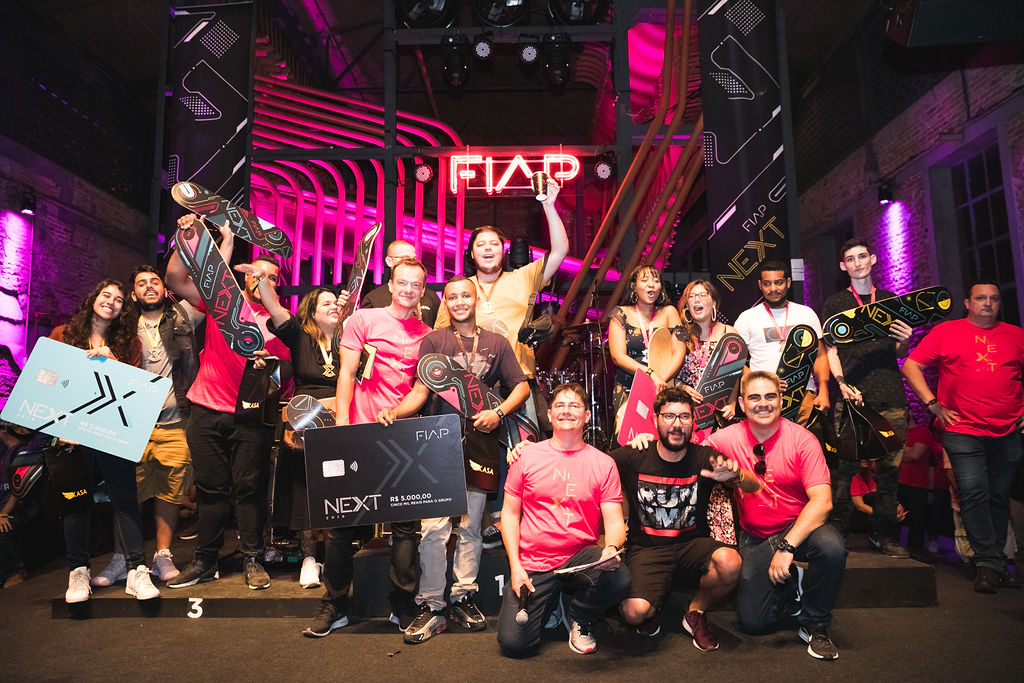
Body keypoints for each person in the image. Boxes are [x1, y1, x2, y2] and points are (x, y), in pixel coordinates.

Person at [376, 277, 530, 644]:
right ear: (446, 302)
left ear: (476, 300)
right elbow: (420, 390)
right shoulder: (434, 341)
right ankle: (431, 603)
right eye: (453, 297)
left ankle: (463, 596)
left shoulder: (496, 342)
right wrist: (396, 412)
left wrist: (499, 412)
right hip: (438, 444)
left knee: (472, 526)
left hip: (481, 443)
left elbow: (522, 386)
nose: (460, 302)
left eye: (466, 296)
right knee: (433, 527)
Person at [435, 180, 569, 545]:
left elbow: (560, 250)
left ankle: (518, 521)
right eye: (481, 244)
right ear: (471, 253)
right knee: (479, 456)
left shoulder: (522, 278)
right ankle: (482, 522)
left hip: (516, 380)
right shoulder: (459, 291)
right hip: (469, 387)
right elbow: (439, 341)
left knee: (522, 452)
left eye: (494, 243)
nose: (488, 248)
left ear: (503, 251)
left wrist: (550, 205)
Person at [303, 257, 431, 637]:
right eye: (402, 282)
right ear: (390, 285)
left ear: (423, 291)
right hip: (357, 431)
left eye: (416, 285)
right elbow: (345, 372)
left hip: (401, 436)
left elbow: (421, 390)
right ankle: (335, 603)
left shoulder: (427, 335)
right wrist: (343, 424)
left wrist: (397, 411)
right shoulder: (363, 319)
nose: (408, 290)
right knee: (341, 524)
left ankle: (402, 602)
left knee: (405, 526)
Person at [165, 214, 291, 591]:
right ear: (243, 276)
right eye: (255, 273)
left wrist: (269, 367)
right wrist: (187, 237)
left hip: (250, 416)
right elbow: (175, 279)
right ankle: (205, 560)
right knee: (210, 489)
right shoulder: (222, 303)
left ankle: (252, 558)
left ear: (277, 285)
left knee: (250, 489)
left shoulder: (281, 323)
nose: (261, 279)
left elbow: (285, 377)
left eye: (270, 276)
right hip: (206, 409)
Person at [704, 371, 846, 660]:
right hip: (756, 535)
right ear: (742, 404)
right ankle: (791, 582)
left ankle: (815, 624)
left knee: (831, 547)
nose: (763, 404)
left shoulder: (803, 440)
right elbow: (682, 450)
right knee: (754, 624)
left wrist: (787, 547)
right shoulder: (724, 438)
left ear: (781, 400)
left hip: (800, 529)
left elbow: (822, 501)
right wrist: (644, 438)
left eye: (770, 396)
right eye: (754, 397)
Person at [901, 280, 1024, 593]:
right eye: (981, 298)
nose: (988, 303)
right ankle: (987, 563)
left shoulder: (1016, 335)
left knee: (998, 496)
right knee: (973, 494)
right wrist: (932, 404)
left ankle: (996, 561)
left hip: (1008, 430)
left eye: (994, 298)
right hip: (962, 430)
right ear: (968, 303)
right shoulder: (947, 332)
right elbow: (912, 365)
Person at [496, 382, 629, 658]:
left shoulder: (603, 463)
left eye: (574, 405)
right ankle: (551, 602)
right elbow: (509, 513)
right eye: (560, 405)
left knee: (618, 577)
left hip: (579, 559)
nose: (566, 411)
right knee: (515, 644)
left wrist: (611, 548)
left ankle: (579, 616)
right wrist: (515, 567)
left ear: (587, 415)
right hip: (533, 563)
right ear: (549, 415)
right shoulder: (526, 456)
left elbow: (615, 522)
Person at [50, 279, 160, 603]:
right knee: (76, 503)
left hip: (112, 431)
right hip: (73, 432)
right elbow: (48, 381)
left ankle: (137, 570)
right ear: (93, 299)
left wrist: (114, 365)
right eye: (106, 295)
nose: (111, 302)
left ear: (123, 308)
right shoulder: (62, 335)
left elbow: (134, 392)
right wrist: (60, 428)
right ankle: (78, 572)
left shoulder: (129, 344)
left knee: (125, 501)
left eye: (118, 299)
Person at [237, 270, 348, 589]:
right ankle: (309, 560)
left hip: (342, 422)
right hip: (305, 424)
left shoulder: (351, 339)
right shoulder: (300, 336)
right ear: (311, 312)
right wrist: (261, 281)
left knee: (339, 491)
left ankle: (335, 558)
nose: (333, 306)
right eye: (325, 303)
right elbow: (275, 309)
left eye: (336, 302)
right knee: (305, 492)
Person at [612, 386, 742, 651]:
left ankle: (695, 611)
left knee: (730, 563)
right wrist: (528, 450)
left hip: (691, 547)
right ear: (655, 419)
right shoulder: (635, 455)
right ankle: (652, 601)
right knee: (634, 614)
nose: (677, 424)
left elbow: (751, 484)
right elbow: (591, 463)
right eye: (669, 416)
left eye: (684, 416)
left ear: (693, 421)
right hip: (647, 550)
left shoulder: (704, 457)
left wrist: (737, 476)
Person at [96, 265, 201, 586]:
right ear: (133, 294)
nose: (149, 286)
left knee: (170, 493)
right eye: (141, 283)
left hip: (176, 422)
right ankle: (121, 559)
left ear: (165, 288)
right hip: (131, 425)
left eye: (154, 281)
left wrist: (192, 238)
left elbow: (204, 290)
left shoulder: (183, 316)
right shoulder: (122, 327)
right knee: (126, 494)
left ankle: (162, 556)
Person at [822, 239, 914, 558]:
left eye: (862, 256)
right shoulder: (836, 303)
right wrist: (841, 383)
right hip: (853, 397)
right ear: (843, 266)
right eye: (851, 258)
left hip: (890, 395)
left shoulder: (889, 300)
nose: (858, 262)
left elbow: (897, 351)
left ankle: (884, 535)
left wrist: (906, 340)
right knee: (845, 469)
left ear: (872, 259)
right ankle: (838, 534)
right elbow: (831, 350)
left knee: (890, 470)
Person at [733, 259, 830, 420]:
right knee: (766, 437)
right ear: (760, 285)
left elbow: (820, 355)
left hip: (804, 394)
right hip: (763, 397)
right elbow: (735, 361)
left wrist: (824, 392)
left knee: (803, 437)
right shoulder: (747, 318)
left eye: (778, 282)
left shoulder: (806, 313)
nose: (773, 289)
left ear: (788, 283)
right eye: (767, 284)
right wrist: (761, 381)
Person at [608, 265, 685, 435]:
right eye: (645, 280)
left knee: (665, 437)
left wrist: (661, 380)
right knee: (631, 439)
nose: (651, 284)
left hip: (664, 385)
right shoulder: (620, 314)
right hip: (629, 387)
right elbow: (617, 356)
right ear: (633, 286)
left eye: (656, 281)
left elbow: (679, 352)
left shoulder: (669, 312)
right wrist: (650, 375)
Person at [676, 279, 740, 423]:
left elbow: (734, 374)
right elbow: (669, 376)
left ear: (714, 303)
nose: (696, 300)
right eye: (691, 296)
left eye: (702, 295)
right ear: (687, 306)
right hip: (685, 411)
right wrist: (682, 388)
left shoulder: (729, 334)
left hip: (719, 412)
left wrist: (732, 403)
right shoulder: (679, 335)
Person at [360, 239, 440, 326]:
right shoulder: (374, 299)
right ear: (389, 261)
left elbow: (440, 329)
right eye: (405, 258)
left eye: (414, 259)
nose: (411, 262)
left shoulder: (430, 297)